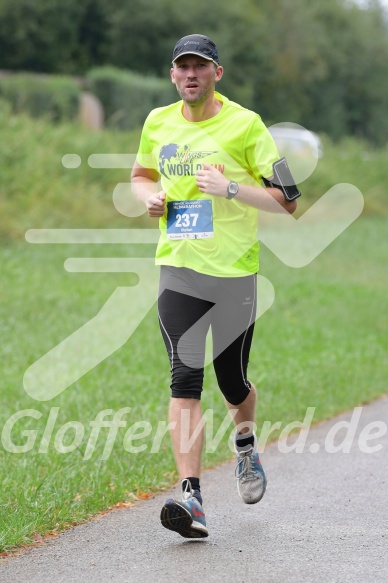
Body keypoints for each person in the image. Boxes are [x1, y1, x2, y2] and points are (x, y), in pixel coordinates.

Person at [131, 33, 297, 539]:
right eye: (182, 68)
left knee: (231, 382)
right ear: (172, 74)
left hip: (233, 275)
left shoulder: (246, 125)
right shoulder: (157, 122)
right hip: (178, 267)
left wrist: (230, 188)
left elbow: (287, 198)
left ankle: (245, 445)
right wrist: (149, 197)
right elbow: (139, 175)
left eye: (199, 67)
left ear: (216, 74)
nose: (190, 75)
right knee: (184, 376)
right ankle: (191, 497)